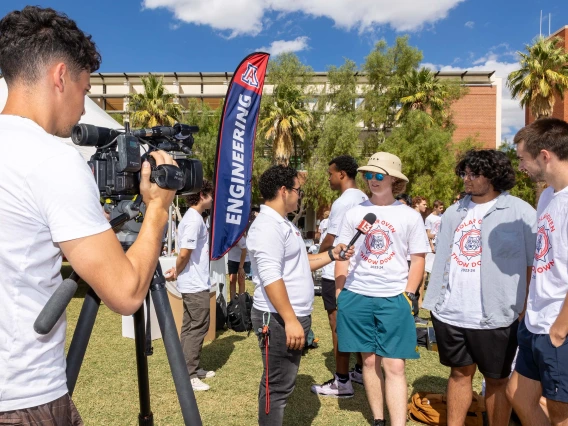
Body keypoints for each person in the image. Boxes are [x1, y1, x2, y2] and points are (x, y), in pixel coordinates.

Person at [0, 6, 178, 423]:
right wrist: (158, 207)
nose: (83, 109)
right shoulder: (52, 160)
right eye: (85, 90)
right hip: (24, 397)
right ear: (60, 77)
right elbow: (126, 293)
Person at [423, 149, 536, 426]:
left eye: (475, 174)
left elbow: (533, 265)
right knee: (459, 374)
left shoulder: (520, 212)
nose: (467, 179)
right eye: (465, 173)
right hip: (450, 312)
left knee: (497, 380)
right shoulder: (453, 212)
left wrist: (525, 307)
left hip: (497, 315)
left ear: (494, 175)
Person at [246, 165, 354, 426]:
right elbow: (272, 277)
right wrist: (290, 319)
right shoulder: (268, 227)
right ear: (284, 191)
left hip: (287, 315)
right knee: (277, 387)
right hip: (278, 317)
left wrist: (331, 255)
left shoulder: (282, 223)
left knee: (283, 382)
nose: (300, 195)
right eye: (298, 190)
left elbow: (299, 262)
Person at [335, 152, 431, 426]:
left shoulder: (410, 216)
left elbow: (418, 259)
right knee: (368, 362)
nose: (372, 181)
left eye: (379, 175)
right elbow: (341, 254)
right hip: (357, 295)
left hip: (394, 297)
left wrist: (409, 294)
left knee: (395, 365)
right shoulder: (355, 213)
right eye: (368, 175)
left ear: (394, 180)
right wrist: (341, 291)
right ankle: (378, 420)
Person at [507, 118, 568, 426]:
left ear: (544, 155)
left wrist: (559, 328)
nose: (521, 166)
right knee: (517, 393)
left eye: (522, 158)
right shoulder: (547, 196)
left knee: (561, 416)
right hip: (535, 322)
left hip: (558, 327)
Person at [311, 155, 368, 397]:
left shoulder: (343, 202)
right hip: (358, 271)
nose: (329, 177)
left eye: (330, 173)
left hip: (335, 272)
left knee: (338, 327)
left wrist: (316, 254)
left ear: (342, 174)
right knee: (356, 325)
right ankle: (359, 371)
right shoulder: (366, 198)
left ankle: (342, 381)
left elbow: (331, 239)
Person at [165, 180, 215, 391]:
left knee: (190, 327)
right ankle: (189, 374)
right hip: (195, 284)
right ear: (202, 195)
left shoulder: (194, 218)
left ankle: (188, 368)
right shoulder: (194, 220)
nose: (213, 199)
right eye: (211, 194)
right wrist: (177, 269)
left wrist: (178, 270)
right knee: (197, 326)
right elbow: (185, 252)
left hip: (194, 282)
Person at [227, 234, 250, 300]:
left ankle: (241, 302)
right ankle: (232, 302)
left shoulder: (241, 237)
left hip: (244, 259)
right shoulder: (231, 233)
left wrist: (241, 267)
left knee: (241, 280)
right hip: (232, 258)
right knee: (232, 280)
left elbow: (244, 251)